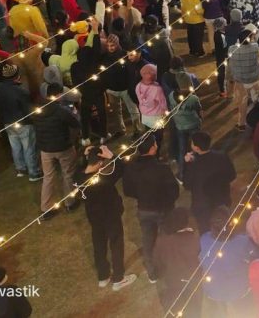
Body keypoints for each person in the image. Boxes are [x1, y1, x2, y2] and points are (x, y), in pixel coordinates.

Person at [122, 134, 180, 283]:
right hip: (163, 210)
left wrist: (142, 196)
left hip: (144, 209)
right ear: (152, 148)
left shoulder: (130, 168)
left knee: (148, 242)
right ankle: (171, 266)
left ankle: (152, 272)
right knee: (167, 238)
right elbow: (174, 191)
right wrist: (168, 202)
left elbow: (127, 190)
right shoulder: (162, 168)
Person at [81, 145, 137, 291]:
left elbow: (81, 168)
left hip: (94, 217)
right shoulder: (103, 180)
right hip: (111, 216)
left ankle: (103, 276)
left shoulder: (78, 178)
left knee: (99, 245)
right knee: (116, 244)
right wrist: (111, 156)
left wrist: (85, 156)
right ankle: (118, 278)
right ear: (100, 163)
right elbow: (122, 168)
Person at [33, 82, 81, 219]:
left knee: (48, 176)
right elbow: (76, 123)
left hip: (45, 149)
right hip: (63, 147)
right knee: (68, 173)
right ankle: (70, 202)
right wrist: (75, 113)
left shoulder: (37, 110)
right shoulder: (60, 111)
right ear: (58, 95)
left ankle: (46, 208)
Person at [200, 207, 255, 314]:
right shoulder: (243, 241)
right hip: (239, 290)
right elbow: (254, 258)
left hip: (213, 290)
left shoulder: (204, 239)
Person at [0, 63, 41, 181]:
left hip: (7, 123)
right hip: (23, 123)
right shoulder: (20, 91)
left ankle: (21, 169)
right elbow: (28, 110)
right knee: (29, 148)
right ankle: (34, 173)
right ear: (16, 76)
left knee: (15, 147)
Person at [183, 131, 237, 234]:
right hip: (222, 201)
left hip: (202, 206)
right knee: (224, 230)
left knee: (206, 233)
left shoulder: (193, 164)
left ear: (196, 148)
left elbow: (187, 185)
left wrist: (187, 164)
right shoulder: (222, 157)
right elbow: (232, 175)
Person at [153, 207, 201, 317]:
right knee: (194, 306)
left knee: (175, 306)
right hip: (193, 280)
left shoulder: (162, 240)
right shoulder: (194, 238)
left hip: (172, 280)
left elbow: (157, 261)